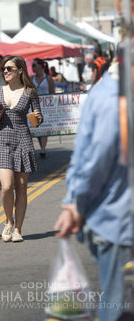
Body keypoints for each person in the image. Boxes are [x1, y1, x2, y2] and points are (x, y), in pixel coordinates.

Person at [54, 68, 132, 321]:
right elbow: (94, 158)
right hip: (115, 220)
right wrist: (76, 204)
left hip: (113, 218)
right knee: (118, 305)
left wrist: (73, 202)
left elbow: (85, 156)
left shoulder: (107, 92)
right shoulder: (113, 98)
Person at [0, 56, 42, 242]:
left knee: (21, 188)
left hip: (23, 140)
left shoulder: (30, 92)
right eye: (4, 69)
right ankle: (9, 222)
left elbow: (38, 119)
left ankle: (18, 229)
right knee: (6, 187)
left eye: (9, 68)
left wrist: (37, 118)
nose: (5, 71)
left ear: (20, 70)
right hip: (3, 141)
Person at [31, 58, 55, 158]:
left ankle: (43, 149)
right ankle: (42, 147)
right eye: (32, 65)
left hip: (46, 106)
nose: (33, 67)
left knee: (44, 127)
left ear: (41, 66)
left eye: (34, 65)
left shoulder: (48, 78)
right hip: (34, 105)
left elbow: (52, 91)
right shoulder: (31, 78)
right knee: (37, 127)